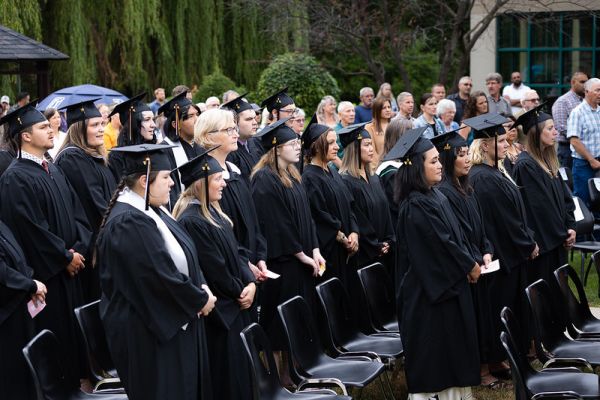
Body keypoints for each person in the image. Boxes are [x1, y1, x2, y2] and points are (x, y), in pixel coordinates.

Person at [96, 144, 216, 400]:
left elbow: (186, 255)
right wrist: (199, 299)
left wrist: (201, 286)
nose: (172, 183)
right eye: (166, 177)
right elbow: (157, 278)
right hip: (147, 334)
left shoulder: (153, 211)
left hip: (166, 324)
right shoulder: (128, 221)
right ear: (143, 181)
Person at [0, 102, 92, 389]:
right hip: (50, 278)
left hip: (71, 272)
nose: (52, 130)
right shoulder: (16, 178)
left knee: (76, 349)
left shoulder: (52, 168)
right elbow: (31, 229)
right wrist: (65, 257)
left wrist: (79, 249)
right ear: (25, 136)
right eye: (42, 127)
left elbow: (79, 214)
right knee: (57, 352)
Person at [390, 127, 480, 400]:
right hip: (430, 298)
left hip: (446, 291)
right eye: (432, 161)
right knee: (437, 364)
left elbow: (455, 237)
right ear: (416, 167)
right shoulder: (416, 206)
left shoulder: (434, 195)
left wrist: (468, 261)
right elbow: (440, 247)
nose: (440, 165)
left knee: (453, 358)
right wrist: (468, 266)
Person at [173, 152, 254, 400]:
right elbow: (215, 271)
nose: (224, 183)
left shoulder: (216, 213)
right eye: (218, 178)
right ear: (200, 183)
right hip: (221, 314)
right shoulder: (192, 220)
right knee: (228, 382)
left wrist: (250, 282)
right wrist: (241, 290)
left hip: (238, 302)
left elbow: (238, 252)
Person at [468, 113, 538, 376]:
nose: (506, 143)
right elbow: (504, 220)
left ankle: (510, 354)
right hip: (501, 255)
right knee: (500, 306)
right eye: (499, 140)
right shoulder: (483, 177)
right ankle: (498, 358)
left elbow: (516, 211)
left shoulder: (496, 170)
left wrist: (527, 237)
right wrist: (527, 243)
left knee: (511, 305)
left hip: (510, 252)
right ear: (484, 145)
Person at [432, 130, 498, 389]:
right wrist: (475, 259)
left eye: (467, 153)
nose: (467, 159)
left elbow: (481, 228)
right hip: (468, 268)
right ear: (448, 160)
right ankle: (480, 369)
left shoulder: (467, 188)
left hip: (481, 261)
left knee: (486, 314)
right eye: (460, 155)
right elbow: (457, 236)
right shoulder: (446, 193)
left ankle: (490, 362)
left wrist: (487, 249)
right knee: (475, 319)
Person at [250, 117, 324, 347]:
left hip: (302, 259)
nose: (298, 147)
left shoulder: (293, 173)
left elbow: (307, 216)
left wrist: (315, 249)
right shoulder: (264, 178)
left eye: (298, 143)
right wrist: (302, 255)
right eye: (292, 144)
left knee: (301, 318)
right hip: (283, 262)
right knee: (281, 324)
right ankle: (282, 375)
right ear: (276, 148)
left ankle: (299, 367)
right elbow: (277, 223)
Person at [195, 107, 269, 285]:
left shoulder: (233, 170)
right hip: (232, 274)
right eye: (228, 130)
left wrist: (260, 256)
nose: (235, 134)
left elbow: (252, 219)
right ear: (208, 136)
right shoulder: (203, 179)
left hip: (252, 263)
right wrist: (245, 265)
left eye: (235, 128)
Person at [54, 99, 117, 301]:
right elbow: (96, 207)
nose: (101, 129)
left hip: (105, 243)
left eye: (102, 124)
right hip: (92, 251)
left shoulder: (94, 157)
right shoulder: (72, 159)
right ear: (79, 130)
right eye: (94, 125)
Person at [513, 106, 576, 291]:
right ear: (536, 133)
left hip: (557, 240)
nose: (555, 131)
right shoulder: (526, 165)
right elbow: (540, 209)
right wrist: (562, 233)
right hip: (545, 246)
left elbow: (566, 197)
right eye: (550, 128)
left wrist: (571, 226)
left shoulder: (549, 160)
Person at [301, 114, 359, 284]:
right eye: (331, 143)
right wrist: (342, 238)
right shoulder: (310, 178)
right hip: (332, 252)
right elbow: (319, 216)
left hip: (349, 249)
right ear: (317, 147)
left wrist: (355, 233)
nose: (336, 147)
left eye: (336, 142)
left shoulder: (333, 171)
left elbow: (350, 205)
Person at [338, 123, 395, 294]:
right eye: (367, 145)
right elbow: (355, 218)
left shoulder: (375, 177)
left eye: (372, 144)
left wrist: (390, 241)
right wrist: (373, 245)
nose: (372, 149)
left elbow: (386, 212)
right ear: (354, 149)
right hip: (364, 257)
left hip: (384, 253)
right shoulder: (346, 181)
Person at [0, 220, 47, 400]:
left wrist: (31, 286)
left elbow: (18, 259)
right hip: (6, 317)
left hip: (20, 310)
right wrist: (29, 285)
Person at [158, 91, 202, 209]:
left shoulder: (200, 147)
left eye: (197, 114)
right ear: (175, 124)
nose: (197, 119)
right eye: (191, 116)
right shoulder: (164, 151)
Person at [108, 93, 157, 181]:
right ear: (133, 125)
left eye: (153, 119)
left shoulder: (156, 151)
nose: (153, 125)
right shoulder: (116, 157)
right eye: (147, 120)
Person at [567, 77, 600, 206]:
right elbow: (574, 141)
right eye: (597, 90)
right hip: (583, 164)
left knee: (598, 202)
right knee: (583, 200)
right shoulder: (577, 112)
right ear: (586, 92)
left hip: (598, 162)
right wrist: (591, 160)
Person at [377, 119, 415, 228]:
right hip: (398, 227)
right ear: (399, 139)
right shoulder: (389, 171)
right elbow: (399, 205)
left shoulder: (404, 163)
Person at [222, 94, 262, 182]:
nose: (255, 122)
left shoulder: (255, 143)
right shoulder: (229, 152)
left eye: (255, 118)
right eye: (249, 119)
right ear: (234, 123)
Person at [553, 72, 588, 169]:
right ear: (573, 82)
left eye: (587, 82)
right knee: (569, 181)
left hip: (583, 147)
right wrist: (583, 138)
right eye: (582, 82)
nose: (585, 85)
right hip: (567, 148)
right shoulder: (562, 101)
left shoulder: (585, 100)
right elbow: (562, 127)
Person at [365, 96, 393, 164]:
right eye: (384, 108)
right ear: (377, 110)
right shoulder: (369, 127)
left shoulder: (395, 125)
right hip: (379, 166)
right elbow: (372, 152)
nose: (387, 110)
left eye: (389, 107)